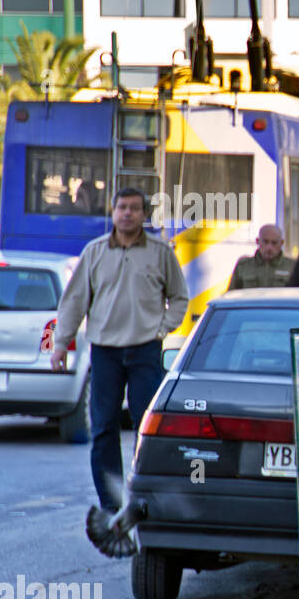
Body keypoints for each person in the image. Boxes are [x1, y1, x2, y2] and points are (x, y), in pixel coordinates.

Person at [52, 187, 189, 517]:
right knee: (103, 429)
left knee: (148, 428)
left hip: (145, 351)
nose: (127, 213)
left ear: (144, 215)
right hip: (105, 353)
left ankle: (147, 497)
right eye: (122, 207)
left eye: (134, 208)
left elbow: (180, 297)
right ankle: (111, 502)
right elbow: (73, 302)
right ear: (112, 212)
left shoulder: (160, 252)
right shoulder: (95, 252)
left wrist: (161, 328)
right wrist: (59, 344)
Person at [227, 223, 295, 290]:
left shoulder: (292, 266)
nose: (269, 247)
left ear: (281, 243)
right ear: (257, 241)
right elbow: (231, 295)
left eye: (274, 243)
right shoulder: (243, 266)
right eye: (265, 242)